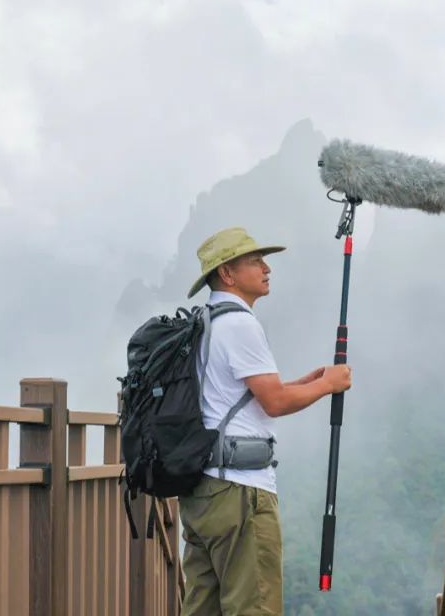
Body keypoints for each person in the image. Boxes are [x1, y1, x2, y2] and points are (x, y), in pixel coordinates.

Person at [180, 226, 352, 615]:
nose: (266, 267)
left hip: (202, 489)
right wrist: (330, 384)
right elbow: (273, 403)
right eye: (254, 260)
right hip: (240, 491)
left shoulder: (204, 322)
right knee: (254, 607)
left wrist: (306, 383)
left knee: (202, 606)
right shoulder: (240, 324)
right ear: (227, 273)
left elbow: (234, 397)